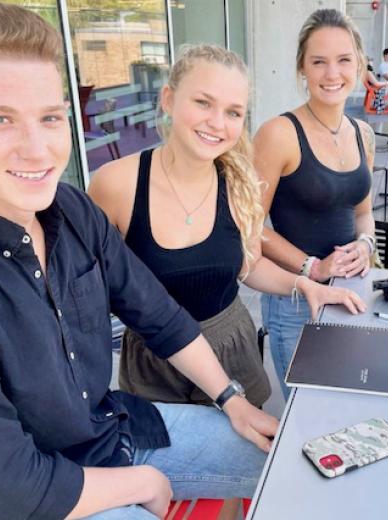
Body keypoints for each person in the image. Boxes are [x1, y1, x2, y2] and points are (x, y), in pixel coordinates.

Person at [0, 2, 278, 519]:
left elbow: (159, 315)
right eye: (0, 119)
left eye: (50, 118)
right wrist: (140, 482)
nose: (38, 150)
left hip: (112, 432)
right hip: (40, 496)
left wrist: (232, 400)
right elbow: (5, 491)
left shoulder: (72, 209)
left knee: (289, 460)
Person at [88, 44, 364, 409]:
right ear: (168, 99)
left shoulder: (236, 182)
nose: (217, 123)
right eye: (203, 103)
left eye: (233, 112)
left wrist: (302, 284)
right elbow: (88, 290)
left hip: (230, 349)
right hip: (155, 365)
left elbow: (248, 265)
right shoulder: (115, 185)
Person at [253, 9, 376, 399]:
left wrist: (366, 245)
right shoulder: (278, 134)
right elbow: (248, 228)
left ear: (358, 64)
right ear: (302, 69)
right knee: (305, 416)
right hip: (295, 297)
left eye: (343, 60)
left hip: (350, 291)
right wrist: (313, 266)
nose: (331, 73)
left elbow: (363, 212)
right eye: (318, 62)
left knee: (344, 404)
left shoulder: (363, 134)